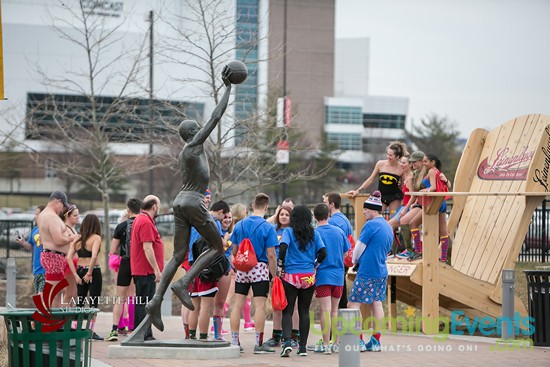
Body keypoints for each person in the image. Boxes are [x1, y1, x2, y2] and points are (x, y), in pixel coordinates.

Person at [144, 67, 232, 333]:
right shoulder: (193, 146)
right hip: (192, 201)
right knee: (218, 246)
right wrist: (229, 88)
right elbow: (216, 117)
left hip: (181, 201)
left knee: (178, 254)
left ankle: (156, 301)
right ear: (193, 133)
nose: (201, 131)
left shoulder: (189, 151)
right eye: (198, 129)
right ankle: (184, 282)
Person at [229, 193, 278, 353]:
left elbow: (234, 250)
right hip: (260, 269)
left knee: (237, 305)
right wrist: (274, 275)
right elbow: (271, 254)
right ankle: (258, 344)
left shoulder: (239, 225)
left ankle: (235, 341)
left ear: (252, 206)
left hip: (243, 269)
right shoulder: (267, 227)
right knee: (259, 307)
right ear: (266, 207)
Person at [278, 205, 326, 358]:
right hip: (308, 276)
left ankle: (286, 342)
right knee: (304, 311)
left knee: (288, 310)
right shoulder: (314, 233)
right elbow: (323, 252)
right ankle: (303, 347)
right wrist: (315, 265)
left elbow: (283, 247)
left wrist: (281, 263)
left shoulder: (288, 231)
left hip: (291, 276)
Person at [348, 191, 393, 352]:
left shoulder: (370, 225)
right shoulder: (388, 226)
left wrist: (354, 261)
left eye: (366, 209)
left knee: (353, 304)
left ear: (373, 209)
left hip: (367, 271)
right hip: (381, 271)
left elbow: (358, 248)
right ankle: (376, 341)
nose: (363, 212)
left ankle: (359, 340)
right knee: (376, 304)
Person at [312, 203, 349, 354]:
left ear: (315, 217)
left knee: (325, 311)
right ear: (329, 215)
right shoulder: (339, 232)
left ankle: (326, 344)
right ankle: (337, 343)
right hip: (338, 276)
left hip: (322, 276)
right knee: (335, 311)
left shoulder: (315, 233)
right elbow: (346, 254)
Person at [105, 198, 142, 341]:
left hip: (125, 263)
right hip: (139, 264)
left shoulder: (121, 226)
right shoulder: (145, 224)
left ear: (128, 210)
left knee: (120, 298)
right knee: (138, 297)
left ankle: (114, 330)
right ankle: (137, 328)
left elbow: (113, 250)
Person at [264, 205, 300, 348]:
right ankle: (276, 336)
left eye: (287, 214)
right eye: (281, 214)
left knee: (293, 305)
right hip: (275, 273)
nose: (284, 217)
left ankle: (294, 336)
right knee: (277, 304)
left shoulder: (294, 232)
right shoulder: (273, 230)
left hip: (290, 271)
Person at [131, 195, 165, 341]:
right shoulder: (145, 221)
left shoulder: (141, 219)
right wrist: (156, 269)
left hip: (143, 269)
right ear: (154, 207)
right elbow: (147, 248)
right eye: (159, 205)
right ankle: (142, 334)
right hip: (145, 270)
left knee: (144, 302)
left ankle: (144, 332)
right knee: (145, 303)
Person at [406, 153, 452, 261]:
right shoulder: (437, 171)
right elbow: (447, 185)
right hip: (441, 203)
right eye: (423, 161)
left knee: (413, 223)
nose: (424, 163)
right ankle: (444, 258)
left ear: (432, 162)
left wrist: (424, 190)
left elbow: (433, 187)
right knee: (443, 231)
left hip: (433, 203)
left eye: (426, 161)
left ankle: (418, 251)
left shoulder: (431, 171)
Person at [66, 214, 104, 340]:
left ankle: (76, 329)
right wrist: (90, 273)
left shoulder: (77, 238)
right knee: (93, 302)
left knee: (80, 302)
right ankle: (90, 331)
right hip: (93, 272)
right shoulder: (96, 238)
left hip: (80, 271)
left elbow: (69, 258)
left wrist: (76, 275)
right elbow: (93, 256)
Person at [37, 191, 77, 308]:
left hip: (52, 256)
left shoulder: (43, 215)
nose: (62, 209)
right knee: (53, 292)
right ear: (58, 201)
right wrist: (71, 238)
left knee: (56, 292)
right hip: (53, 257)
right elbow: (58, 240)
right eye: (63, 206)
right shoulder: (51, 217)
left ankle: (54, 320)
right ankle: (43, 321)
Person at [348, 141, 409, 215]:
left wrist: (404, 199)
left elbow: (403, 186)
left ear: (397, 157)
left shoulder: (401, 168)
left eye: (391, 155)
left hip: (394, 197)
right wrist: (358, 190)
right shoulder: (380, 164)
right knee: (376, 215)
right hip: (381, 195)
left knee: (393, 218)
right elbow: (371, 179)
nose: (388, 157)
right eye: (387, 154)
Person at [322, 192, 353, 311]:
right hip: (342, 260)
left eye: (325, 202)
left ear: (332, 204)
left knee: (335, 300)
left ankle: (334, 325)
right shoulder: (343, 219)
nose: (324, 205)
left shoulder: (334, 222)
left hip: (335, 261)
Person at [15, 205, 46, 294]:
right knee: (38, 298)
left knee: (42, 297)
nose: (35, 217)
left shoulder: (48, 229)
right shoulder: (35, 230)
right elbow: (33, 248)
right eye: (35, 214)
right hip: (36, 269)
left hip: (46, 270)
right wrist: (23, 243)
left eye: (37, 214)